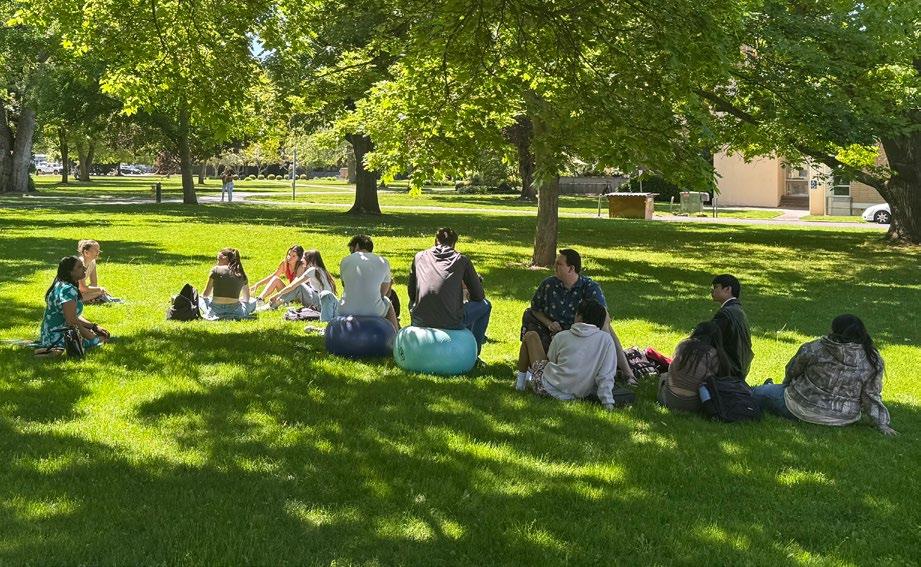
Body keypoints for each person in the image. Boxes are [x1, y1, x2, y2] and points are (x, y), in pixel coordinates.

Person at [751, 315, 897, 436]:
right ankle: (771, 387)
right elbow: (871, 395)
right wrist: (882, 423)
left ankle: (769, 387)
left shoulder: (816, 348)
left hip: (802, 407)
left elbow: (792, 370)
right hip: (844, 417)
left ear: (834, 330)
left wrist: (786, 385)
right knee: (771, 391)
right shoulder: (872, 358)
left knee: (757, 392)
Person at [520, 249, 634, 382]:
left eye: (559, 264)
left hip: (580, 336)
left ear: (571, 268)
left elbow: (603, 316)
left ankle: (627, 372)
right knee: (529, 317)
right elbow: (535, 309)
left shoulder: (590, 288)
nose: (554, 266)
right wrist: (549, 324)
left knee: (607, 328)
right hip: (550, 332)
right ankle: (536, 370)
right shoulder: (548, 284)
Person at [515, 299, 618, 409]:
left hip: (546, 388)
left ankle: (520, 385)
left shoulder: (562, 336)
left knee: (531, 335)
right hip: (579, 394)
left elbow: (551, 360)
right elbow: (606, 375)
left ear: (578, 316)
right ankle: (523, 383)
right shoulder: (606, 340)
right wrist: (608, 403)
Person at [407, 227, 491, 354]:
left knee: (412, 303)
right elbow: (479, 296)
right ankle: (475, 352)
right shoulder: (462, 260)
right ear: (454, 244)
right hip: (451, 321)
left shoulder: (419, 257)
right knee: (485, 305)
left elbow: (412, 293)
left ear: (435, 241)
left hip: (419, 319)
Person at [35, 256, 111, 355]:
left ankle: (52, 350)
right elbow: (72, 321)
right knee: (102, 340)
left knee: (101, 337)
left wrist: (93, 327)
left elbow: (73, 316)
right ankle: (49, 351)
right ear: (70, 272)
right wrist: (92, 337)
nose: (84, 268)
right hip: (58, 336)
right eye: (79, 267)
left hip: (49, 334)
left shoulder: (61, 284)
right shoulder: (68, 290)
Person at [657, 321, 731, 412]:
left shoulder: (683, 345)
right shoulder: (714, 354)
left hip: (669, 400)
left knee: (664, 376)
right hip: (696, 404)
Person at [329, 235, 399, 330]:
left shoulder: (345, 261)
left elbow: (345, 286)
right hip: (374, 311)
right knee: (387, 302)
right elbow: (384, 293)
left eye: (351, 249)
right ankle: (395, 333)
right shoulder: (384, 262)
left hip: (346, 309)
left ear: (357, 246)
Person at [268, 249, 339, 316]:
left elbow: (293, 286)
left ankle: (273, 305)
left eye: (304, 258)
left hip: (321, 306)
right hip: (328, 306)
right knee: (300, 286)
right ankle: (279, 302)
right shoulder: (322, 271)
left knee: (299, 286)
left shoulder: (312, 270)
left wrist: (277, 295)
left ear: (310, 260)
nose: (302, 260)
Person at [710, 274, 754, 378]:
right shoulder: (737, 310)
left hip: (728, 370)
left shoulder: (726, 313)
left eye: (716, 287)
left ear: (728, 289)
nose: (712, 291)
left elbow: (709, 339)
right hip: (739, 367)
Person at [199, 248, 255, 320]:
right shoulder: (241, 273)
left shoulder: (215, 270)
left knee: (200, 299)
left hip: (215, 310)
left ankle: (214, 314)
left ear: (225, 258)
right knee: (253, 301)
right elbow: (246, 299)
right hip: (235, 311)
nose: (217, 262)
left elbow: (206, 294)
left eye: (218, 259)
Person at [77, 239, 122, 304]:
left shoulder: (92, 262)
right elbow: (82, 288)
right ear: (86, 252)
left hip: (77, 292)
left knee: (99, 292)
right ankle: (96, 298)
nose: (98, 253)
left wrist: (96, 290)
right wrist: (99, 290)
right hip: (67, 294)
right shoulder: (79, 264)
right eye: (96, 250)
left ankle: (95, 298)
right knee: (99, 293)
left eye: (99, 250)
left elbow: (94, 283)